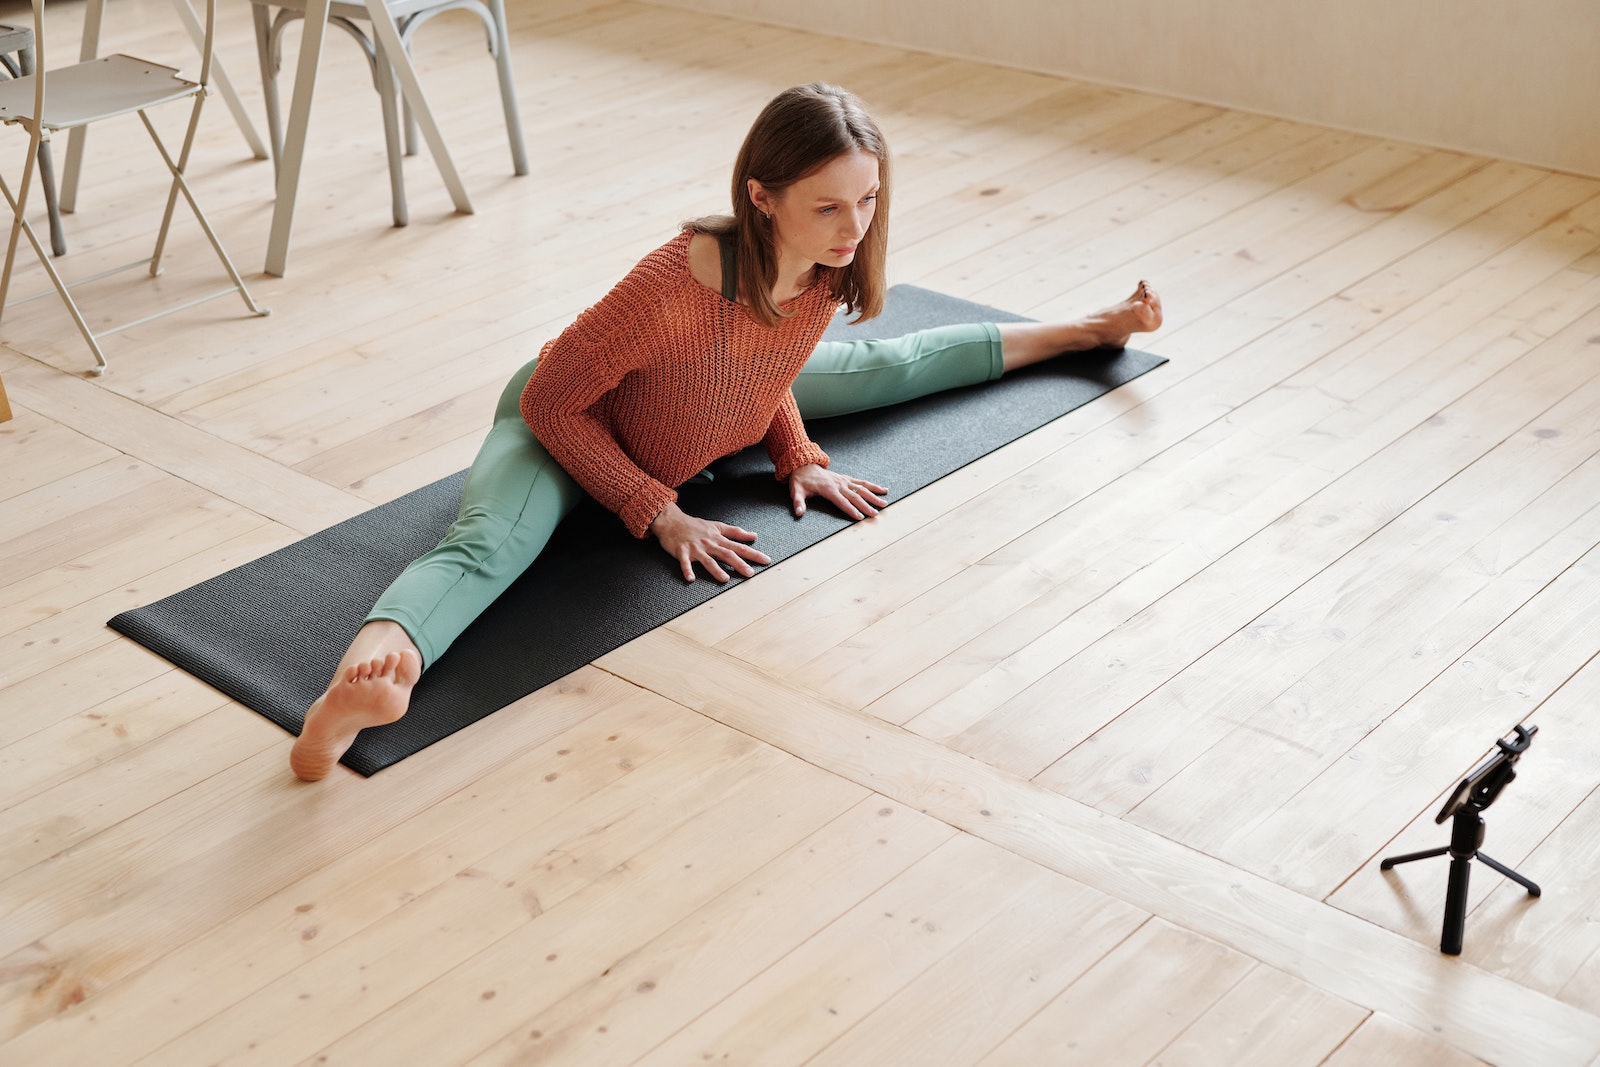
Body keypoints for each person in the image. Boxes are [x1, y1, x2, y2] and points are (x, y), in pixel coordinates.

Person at [290, 82, 1162, 781]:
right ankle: (357, 693)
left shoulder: (828, 269)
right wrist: (658, 509)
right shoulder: (671, 284)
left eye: (867, 200)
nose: (854, 228)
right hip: (569, 426)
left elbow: (767, 369)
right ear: (761, 196)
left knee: (886, 367)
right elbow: (554, 403)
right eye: (827, 207)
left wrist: (798, 455)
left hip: (705, 407)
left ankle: (1090, 329)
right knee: (489, 544)